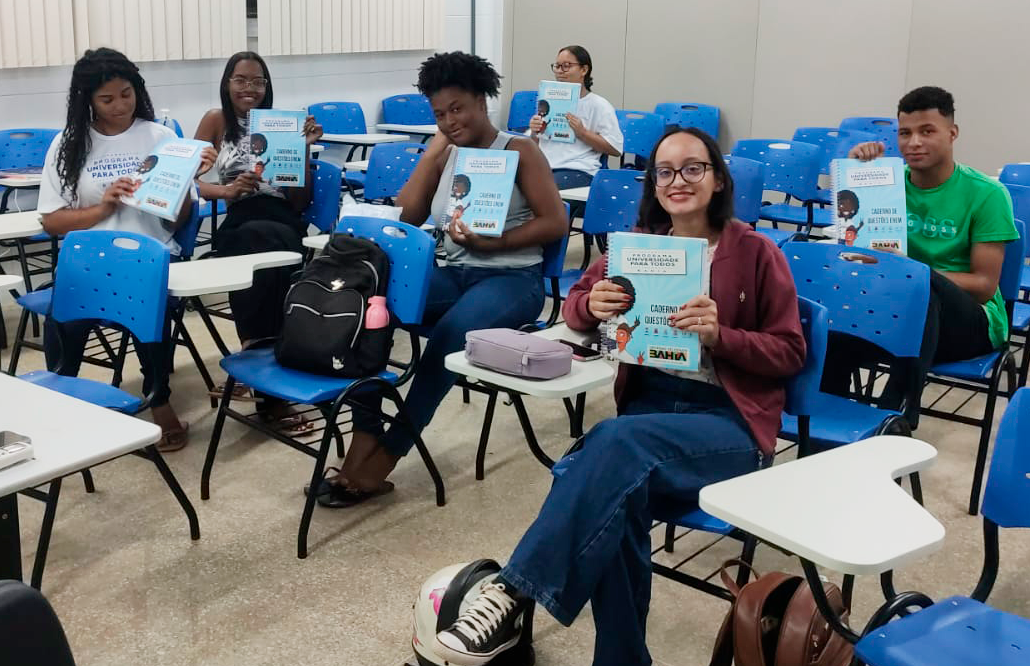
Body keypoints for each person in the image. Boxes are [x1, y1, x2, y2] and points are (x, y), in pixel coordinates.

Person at [433, 127, 806, 666]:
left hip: (728, 425)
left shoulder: (755, 251)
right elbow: (577, 307)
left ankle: (514, 593)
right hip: (649, 417)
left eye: (693, 168)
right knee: (614, 497)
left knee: (608, 452)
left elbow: (790, 352)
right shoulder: (638, 247)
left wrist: (723, 336)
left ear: (718, 178)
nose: (678, 181)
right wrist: (594, 304)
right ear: (652, 182)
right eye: (664, 170)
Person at [315, 51, 568, 508]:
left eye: (457, 109)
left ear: (482, 100)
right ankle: (365, 433)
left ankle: (387, 456)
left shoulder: (518, 150)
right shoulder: (445, 150)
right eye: (439, 114)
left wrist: (497, 243)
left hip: (512, 279)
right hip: (452, 269)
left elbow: (555, 223)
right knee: (368, 309)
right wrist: (432, 155)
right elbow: (408, 214)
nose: (450, 120)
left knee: (450, 336)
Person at [36, 47, 216, 452]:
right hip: (91, 262)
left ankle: (159, 400)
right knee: (61, 315)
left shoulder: (162, 137)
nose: (120, 105)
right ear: (87, 100)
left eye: (127, 93)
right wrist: (105, 207)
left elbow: (176, 222)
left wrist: (189, 179)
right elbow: (51, 220)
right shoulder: (69, 144)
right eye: (107, 98)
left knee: (142, 300)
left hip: (150, 258)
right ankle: (59, 396)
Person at [822, 86, 1018, 427]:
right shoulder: (887, 184)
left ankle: (895, 419)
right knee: (840, 306)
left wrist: (914, 274)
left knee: (921, 290)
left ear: (952, 133)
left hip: (971, 324)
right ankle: (822, 418)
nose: (914, 143)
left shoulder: (987, 194)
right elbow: (856, 251)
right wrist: (856, 177)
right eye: (905, 133)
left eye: (927, 131)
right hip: (897, 313)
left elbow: (985, 286)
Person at [194, 51, 323, 426]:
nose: (249, 88)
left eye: (257, 81)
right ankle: (268, 381)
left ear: (267, 86)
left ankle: (254, 362)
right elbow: (188, 181)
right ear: (227, 83)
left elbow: (299, 202)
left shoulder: (284, 125)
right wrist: (229, 190)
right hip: (238, 215)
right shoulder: (216, 120)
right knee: (253, 247)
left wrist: (303, 149)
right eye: (241, 79)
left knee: (273, 249)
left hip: (283, 219)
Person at [529, 45, 623, 190]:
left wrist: (582, 133)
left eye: (566, 66)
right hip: (543, 166)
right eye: (557, 66)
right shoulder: (547, 101)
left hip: (577, 169)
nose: (560, 71)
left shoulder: (599, 105)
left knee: (541, 192)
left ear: (584, 70)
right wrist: (535, 131)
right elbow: (534, 145)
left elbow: (615, 149)